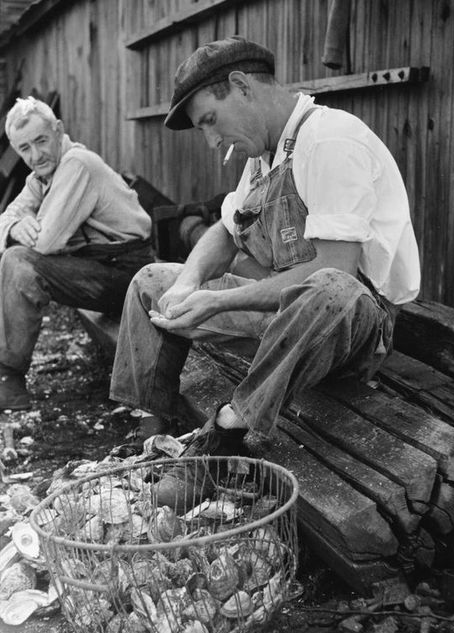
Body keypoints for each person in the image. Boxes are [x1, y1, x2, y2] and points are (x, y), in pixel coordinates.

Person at [110, 36, 421, 511]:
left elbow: (336, 272)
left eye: (210, 121)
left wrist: (218, 301)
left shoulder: (331, 138)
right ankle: (154, 434)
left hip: (352, 328)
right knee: (153, 281)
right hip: (287, 317)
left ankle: (225, 436)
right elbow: (225, 230)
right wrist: (190, 284)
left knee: (333, 289)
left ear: (241, 86)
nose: (212, 141)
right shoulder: (265, 154)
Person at [0, 96, 153, 411]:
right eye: (24, 149)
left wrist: (23, 228)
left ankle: (8, 377)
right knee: (15, 254)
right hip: (98, 268)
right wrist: (15, 225)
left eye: (41, 141)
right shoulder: (41, 177)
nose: (35, 155)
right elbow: (5, 218)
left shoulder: (76, 163)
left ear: (58, 130)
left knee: (19, 262)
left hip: (130, 277)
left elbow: (45, 243)